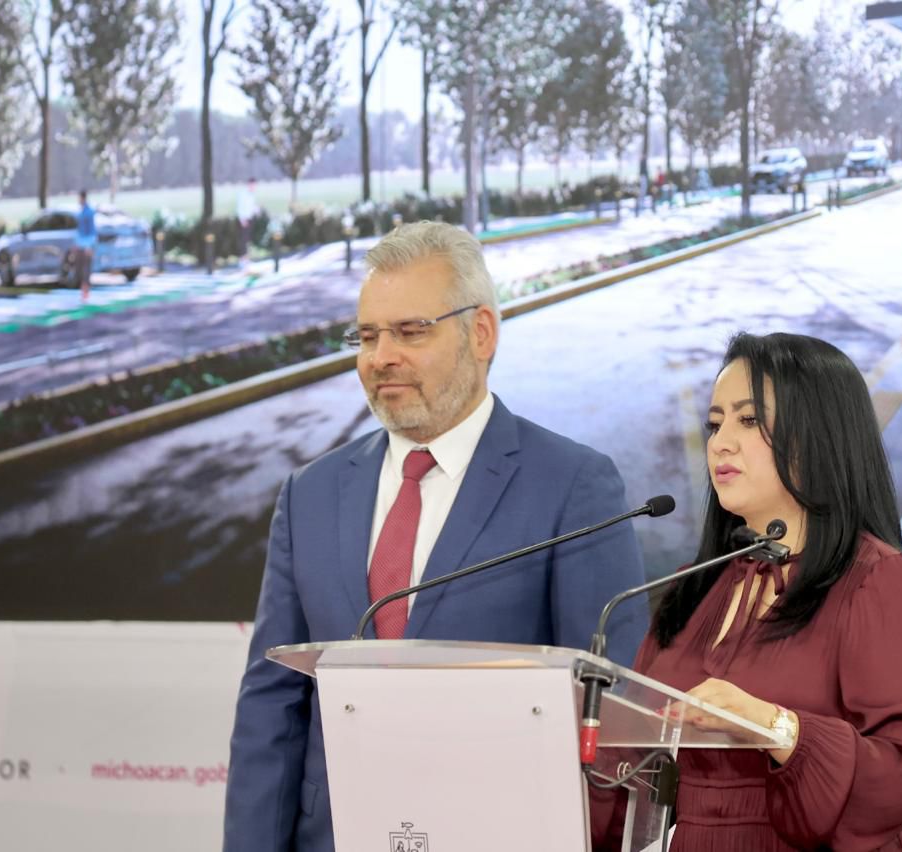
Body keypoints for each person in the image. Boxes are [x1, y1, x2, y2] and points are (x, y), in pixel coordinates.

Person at [224, 221, 650, 852]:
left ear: (481, 333)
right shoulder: (310, 494)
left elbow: (612, 711)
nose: (380, 356)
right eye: (367, 335)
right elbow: (272, 705)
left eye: (410, 330)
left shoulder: (572, 485)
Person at [597, 332, 902, 851]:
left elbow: (901, 772)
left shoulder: (882, 581)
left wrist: (773, 725)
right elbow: (629, 780)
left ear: (819, 434)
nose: (720, 442)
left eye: (748, 420)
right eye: (715, 423)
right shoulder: (692, 588)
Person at [73, 189, 97, 300]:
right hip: (80, 244)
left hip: (87, 245)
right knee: (79, 269)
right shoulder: (81, 212)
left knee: (86, 269)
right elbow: (80, 230)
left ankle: (86, 292)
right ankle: (83, 290)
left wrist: (90, 246)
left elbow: (91, 230)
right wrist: (76, 243)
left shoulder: (89, 212)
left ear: (83, 198)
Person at [235, 177, 261, 268]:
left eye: (255, 185)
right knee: (243, 240)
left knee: (247, 240)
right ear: (249, 184)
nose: (254, 187)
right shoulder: (243, 194)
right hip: (243, 220)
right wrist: (242, 219)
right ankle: (242, 260)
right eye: (253, 185)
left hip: (249, 219)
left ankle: (246, 260)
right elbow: (239, 207)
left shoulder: (251, 194)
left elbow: (251, 206)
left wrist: (257, 210)